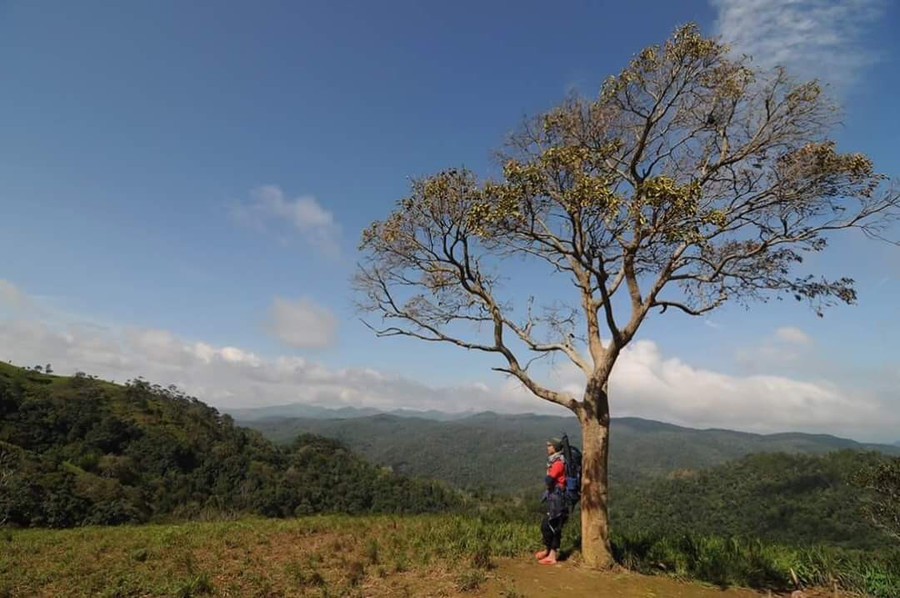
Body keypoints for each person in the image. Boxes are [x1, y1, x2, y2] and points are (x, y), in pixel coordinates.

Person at [535, 437, 568, 565]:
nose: (547, 447)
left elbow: (549, 480)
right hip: (554, 497)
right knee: (547, 525)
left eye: (549, 445)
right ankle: (548, 550)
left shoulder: (558, 463)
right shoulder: (554, 461)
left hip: (558, 499)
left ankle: (552, 555)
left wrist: (548, 473)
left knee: (554, 525)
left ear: (555, 448)